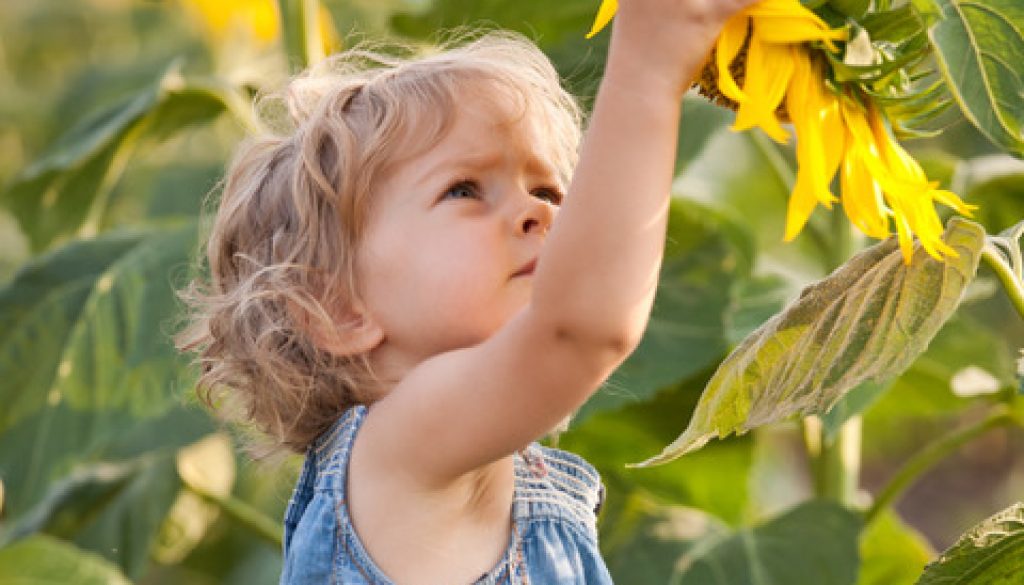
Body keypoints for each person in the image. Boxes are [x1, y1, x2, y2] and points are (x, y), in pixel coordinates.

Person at [175, 0, 758, 582]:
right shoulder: (395, 449)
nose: (536, 212)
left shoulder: (497, 471)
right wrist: (648, 67)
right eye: (464, 190)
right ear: (338, 309)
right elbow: (580, 330)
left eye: (551, 192)